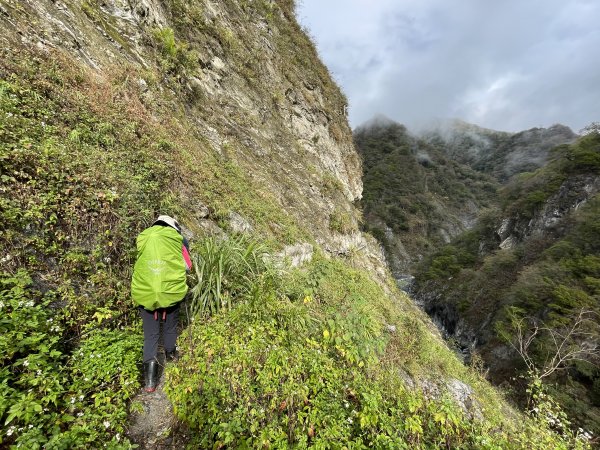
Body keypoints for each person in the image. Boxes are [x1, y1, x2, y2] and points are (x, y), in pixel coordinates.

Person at [131, 215, 192, 392]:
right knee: (170, 326)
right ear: (174, 226)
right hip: (170, 291)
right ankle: (171, 355)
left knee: (150, 335)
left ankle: (150, 382)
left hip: (145, 291)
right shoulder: (178, 239)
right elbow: (187, 265)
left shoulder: (144, 237)